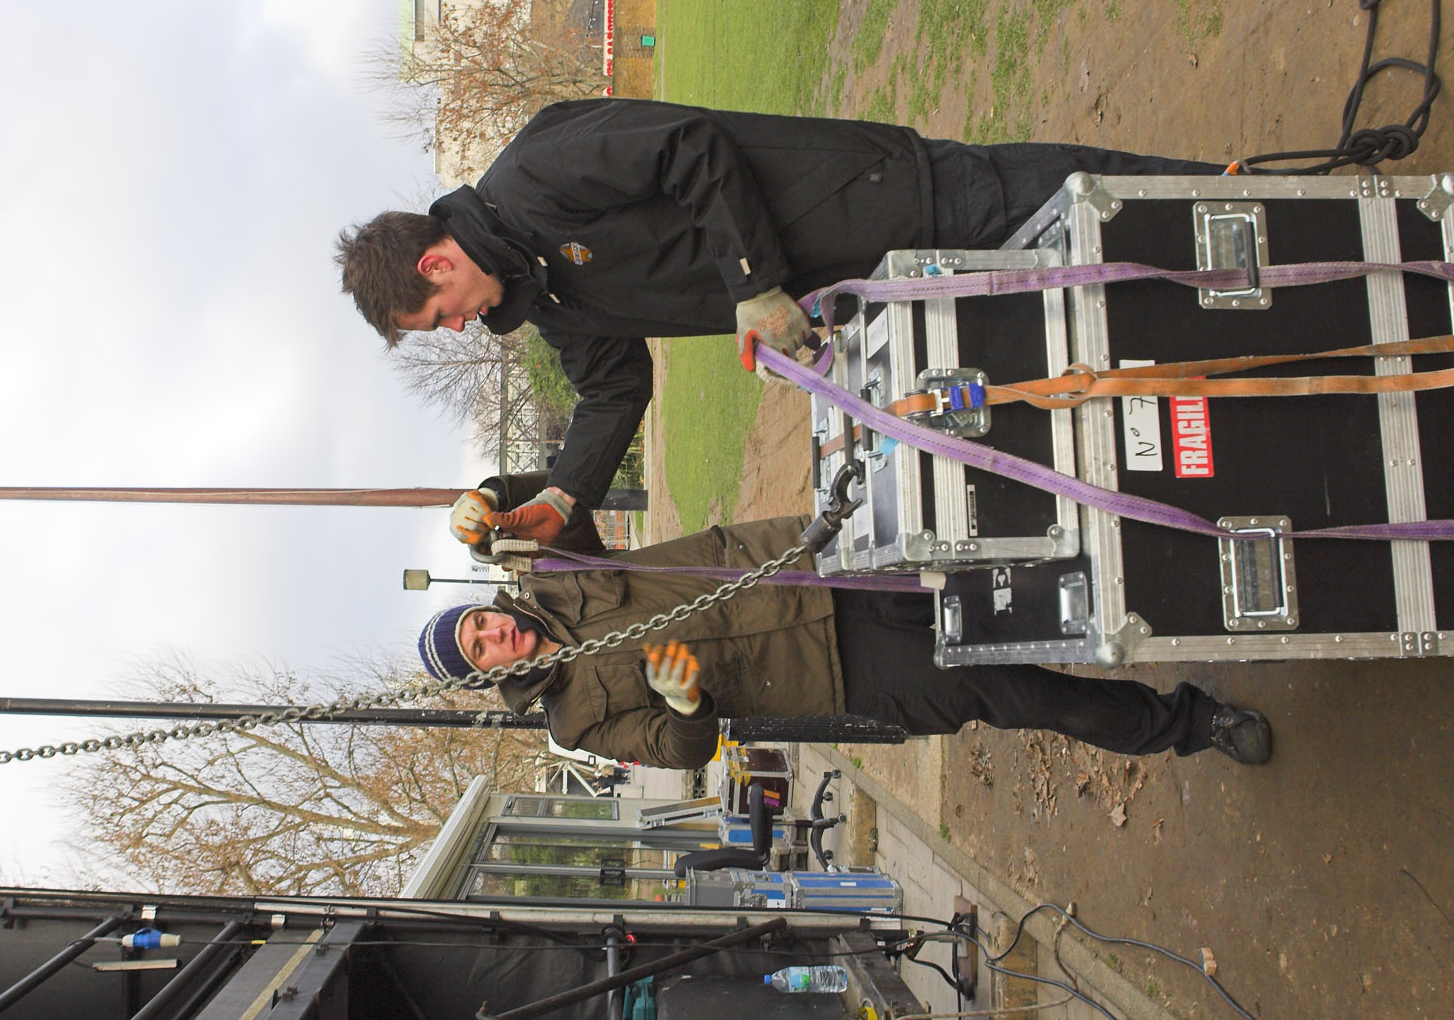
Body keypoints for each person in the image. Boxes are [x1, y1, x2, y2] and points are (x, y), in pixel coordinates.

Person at [336, 97, 1222, 547]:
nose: (457, 329)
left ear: (437, 264)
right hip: (877, 290)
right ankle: (1217, 310)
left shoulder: (533, 171)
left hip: (875, 199)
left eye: (438, 317)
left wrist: (754, 286)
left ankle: (1239, 200)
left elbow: (690, 146)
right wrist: (565, 497)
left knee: (1069, 204)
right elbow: (612, 388)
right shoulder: (547, 302)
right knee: (1063, 279)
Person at [413, 475, 1273, 770]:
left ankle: (1197, 577)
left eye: (478, 623)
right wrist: (684, 704)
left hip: (817, 568)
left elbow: (563, 493)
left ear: (488, 606)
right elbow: (679, 751)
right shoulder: (573, 722)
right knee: (1018, 695)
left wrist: (490, 500)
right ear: (488, 676)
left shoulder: (557, 577)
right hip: (838, 672)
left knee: (1016, 568)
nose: (493, 636)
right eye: (478, 651)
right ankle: (1194, 723)